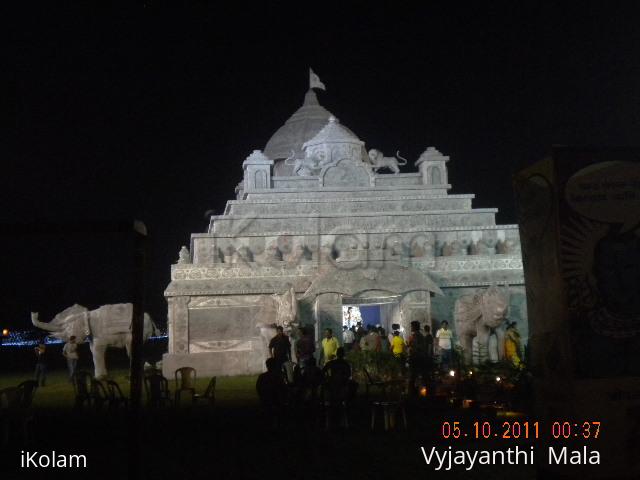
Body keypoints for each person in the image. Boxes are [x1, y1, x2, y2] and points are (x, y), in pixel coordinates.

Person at [407, 321, 426, 395]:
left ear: (414, 327)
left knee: (412, 377)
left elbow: (416, 347)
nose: (411, 328)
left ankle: (413, 394)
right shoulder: (420, 335)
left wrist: (410, 345)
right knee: (418, 377)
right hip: (419, 358)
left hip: (415, 359)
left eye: (411, 326)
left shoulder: (415, 336)